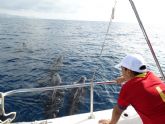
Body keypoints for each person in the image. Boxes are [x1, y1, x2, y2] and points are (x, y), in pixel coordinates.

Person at [99, 54, 165, 124]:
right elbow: (138, 78)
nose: (121, 72)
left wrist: (111, 123)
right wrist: (125, 78)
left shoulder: (128, 87)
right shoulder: (151, 75)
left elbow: (118, 111)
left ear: (128, 71)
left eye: (122, 69)